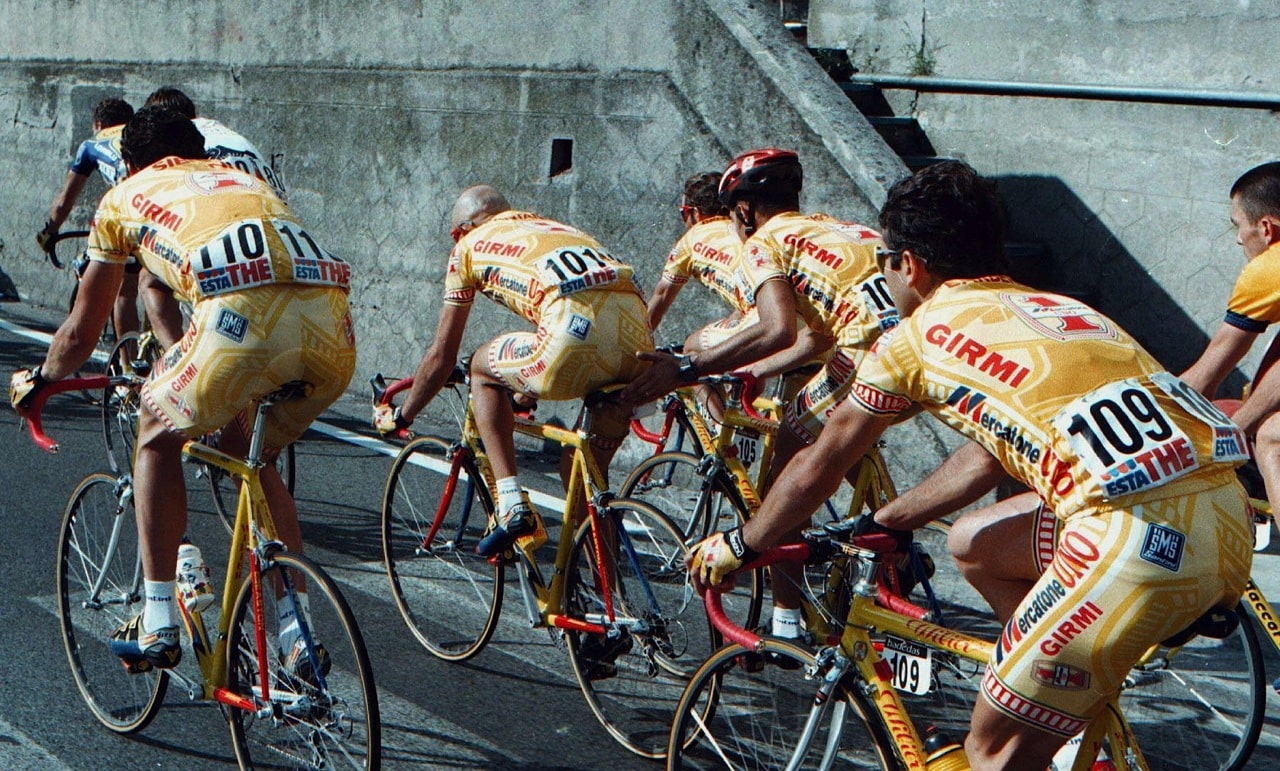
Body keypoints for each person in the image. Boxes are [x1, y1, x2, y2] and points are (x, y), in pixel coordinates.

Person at [688, 159, 1254, 768]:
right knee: (974, 543)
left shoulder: (912, 338)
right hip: (1227, 520)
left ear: (910, 265)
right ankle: (1057, 693)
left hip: (1131, 545)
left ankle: (1045, 699)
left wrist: (742, 545)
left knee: (990, 749)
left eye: (885, 261)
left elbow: (820, 462)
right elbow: (988, 456)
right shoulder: (1063, 310)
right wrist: (887, 520)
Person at [10, 106, 356, 674]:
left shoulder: (123, 196)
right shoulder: (242, 178)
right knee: (250, 454)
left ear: (130, 164)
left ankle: (158, 619)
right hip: (333, 330)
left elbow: (81, 332)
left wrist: (42, 380)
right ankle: (297, 633)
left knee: (155, 428)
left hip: (241, 321)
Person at [624, 148, 899, 642]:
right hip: (919, 345)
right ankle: (890, 547)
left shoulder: (763, 242)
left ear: (744, 210)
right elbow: (814, 338)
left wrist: (688, 368)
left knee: (784, 482)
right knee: (834, 443)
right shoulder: (838, 228)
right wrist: (753, 370)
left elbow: (776, 329)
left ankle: (785, 626)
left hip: (868, 355)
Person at [375, 186, 654, 565]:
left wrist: (402, 416)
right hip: (638, 343)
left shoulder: (467, 247)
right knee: (584, 477)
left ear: (462, 230)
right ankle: (612, 595)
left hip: (569, 338)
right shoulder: (552, 228)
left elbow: (442, 356)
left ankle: (510, 503)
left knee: (481, 368)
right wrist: (526, 391)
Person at [1180, 160, 1280, 512]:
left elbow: (1203, 379)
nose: (1238, 238)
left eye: (1238, 226)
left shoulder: (1268, 269)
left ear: (1266, 228)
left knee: (1274, 438)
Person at [36, 97, 142, 352]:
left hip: (132, 211)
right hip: (163, 204)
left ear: (98, 124)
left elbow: (64, 203)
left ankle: (129, 370)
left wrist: (49, 232)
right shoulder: (141, 136)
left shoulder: (93, 144)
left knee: (124, 293)